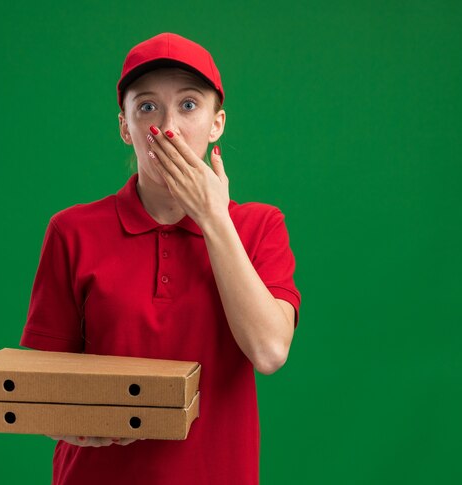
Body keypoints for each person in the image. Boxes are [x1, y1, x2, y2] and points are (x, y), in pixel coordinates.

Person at [20, 32, 301, 485]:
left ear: (217, 124)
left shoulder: (259, 226)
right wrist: (72, 424)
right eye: (147, 107)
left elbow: (269, 351)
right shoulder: (71, 231)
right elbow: (38, 394)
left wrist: (213, 218)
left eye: (189, 105)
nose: (167, 128)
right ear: (124, 126)